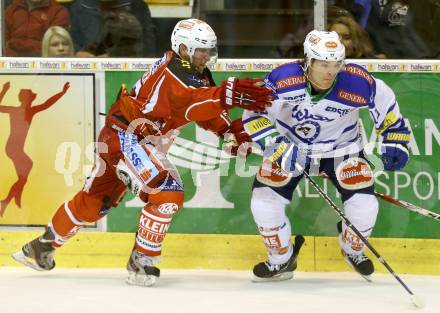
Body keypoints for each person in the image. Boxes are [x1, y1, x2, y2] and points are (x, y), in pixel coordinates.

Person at [12, 18, 272, 287]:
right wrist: (226, 97)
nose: (206, 56)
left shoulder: (191, 70)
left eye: (209, 50)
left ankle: (40, 247)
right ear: (183, 48)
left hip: (120, 136)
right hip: (129, 138)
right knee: (167, 192)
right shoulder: (175, 72)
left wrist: (228, 130)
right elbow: (192, 103)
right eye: (200, 50)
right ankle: (142, 260)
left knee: (95, 202)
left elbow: (201, 105)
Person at [242, 30, 411, 282]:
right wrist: (275, 144)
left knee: (365, 207)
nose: (330, 72)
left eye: (336, 64)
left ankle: (352, 248)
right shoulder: (283, 80)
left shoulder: (356, 82)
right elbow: (254, 114)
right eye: (323, 64)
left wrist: (396, 139)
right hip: (291, 149)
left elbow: (386, 106)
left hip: (342, 149)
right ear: (308, 61)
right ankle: (281, 258)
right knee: (263, 202)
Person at [0, 82, 70, 217]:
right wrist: (4, 90)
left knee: (23, 176)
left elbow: (47, 104)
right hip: (14, 148)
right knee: (24, 173)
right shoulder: (25, 111)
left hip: (13, 147)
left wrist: (4, 90)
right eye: (31, 97)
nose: (33, 98)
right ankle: (8, 199)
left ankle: (13, 197)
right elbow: (46, 104)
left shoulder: (22, 110)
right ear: (28, 99)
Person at [70, 0, 156, 57]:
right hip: (88, 69)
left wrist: (112, 56)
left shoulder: (136, 6)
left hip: (128, 68)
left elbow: (146, 48)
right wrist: (78, 53)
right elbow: (72, 43)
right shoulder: (79, 7)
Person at [4, 0, 70, 57]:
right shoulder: (11, 10)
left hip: (44, 65)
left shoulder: (58, 11)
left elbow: (54, 46)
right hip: (10, 63)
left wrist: (14, 45)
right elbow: (3, 42)